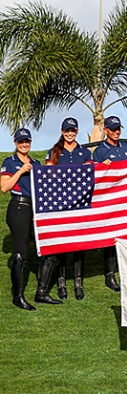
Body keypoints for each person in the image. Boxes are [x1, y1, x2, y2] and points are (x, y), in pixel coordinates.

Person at [45, 117, 93, 301]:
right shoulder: (54, 151)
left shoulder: (84, 152)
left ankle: (78, 282)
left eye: (73, 130)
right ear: (62, 131)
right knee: (62, 243)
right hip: (60, 204)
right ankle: (62, 282)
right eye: (67, 131)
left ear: (77, 131)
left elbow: (91, 174)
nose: (70, 133)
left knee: (79, 243)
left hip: (80, 203)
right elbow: (47, 175)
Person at [92, 115, 127, 292]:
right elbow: (96, 176)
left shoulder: (126, 147)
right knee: (111, 237)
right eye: (113, 129)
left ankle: (126, 272)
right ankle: (110, 274)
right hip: (110, 200)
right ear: (106, 130)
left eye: (119, 129)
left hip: (126, 198)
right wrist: (103, 166)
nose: (117, 132)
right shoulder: (100, 151)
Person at [1, 128, 41, 310]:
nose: (24, 144)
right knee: (20, 252)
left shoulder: (36, 163)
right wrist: (21, 171)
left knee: (45, 249)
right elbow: (4, 187)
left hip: (35, 208)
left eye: (27, 141)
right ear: (15, 143)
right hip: (18, 206)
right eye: (20, 142)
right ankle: (18, 297)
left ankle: (43, 291)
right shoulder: (10, 162)